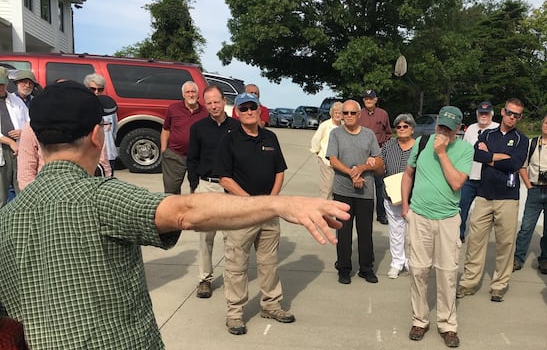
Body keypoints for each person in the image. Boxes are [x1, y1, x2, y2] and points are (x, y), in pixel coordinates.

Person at [0, 81, 350, 349]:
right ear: (96, 135)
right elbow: (185, 211)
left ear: (37, 140)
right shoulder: (101, 198)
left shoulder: (7, 220)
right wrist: (280, 204)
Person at [218, 92, 294, 335]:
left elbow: (279, 170)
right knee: (236, 265)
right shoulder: (228, 139)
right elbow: (225, 178)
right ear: (237, 113)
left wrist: (270, 200)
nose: (249, 111)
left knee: (269, 262)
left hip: (268, 211)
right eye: (244, 108)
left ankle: (271, 304)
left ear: (259, 110)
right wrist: (250, 202)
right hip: (241, 211)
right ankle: (235, 313)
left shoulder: (270, 137)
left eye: (253, 107)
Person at [401, 106, 473, 348]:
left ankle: (447, 325)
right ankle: (419, 320)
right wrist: (405, 207)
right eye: (440, 126)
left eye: (449, 129)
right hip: (419, 216)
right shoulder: (422, 143)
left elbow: (456, 183)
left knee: (447, 273)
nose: (442, 131)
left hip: (448, 219)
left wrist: (442, 153)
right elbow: (408, 174)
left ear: (459, 130)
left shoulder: (464, 150)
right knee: (418, 270)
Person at [457, 98, 528, 303]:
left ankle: (499, 284)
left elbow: (514, 164)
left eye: (517, 115)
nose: (512, 117)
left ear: (519, 117)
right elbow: (476, 155)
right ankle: (469, 282)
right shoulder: (487, 133)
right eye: (509, 112)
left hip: (508, 197)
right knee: (475, 240)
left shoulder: (522, 139)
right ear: (503, 112)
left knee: (505, 243)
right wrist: (500, 156)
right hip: (484, 194)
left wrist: (490, 156)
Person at [186, 85, 241, 299]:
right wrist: (194, 187)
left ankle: (232, 277)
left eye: (216, 102)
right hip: (206, 187)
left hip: (230, 187)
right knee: (205, 237)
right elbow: (192, 159)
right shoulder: (198, 128)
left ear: (223, 101)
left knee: (231, 237)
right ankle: (205, 279)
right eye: (208, 103)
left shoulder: (237, 127)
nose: (213, 106)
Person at [327, 99, 384, 284]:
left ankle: (366, 268)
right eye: (345, 113)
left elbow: (378, 161)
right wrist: (352, 173)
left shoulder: (369, 135)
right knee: (343, 232)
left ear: (359, 115)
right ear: (341, 115)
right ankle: (344, 268)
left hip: (365, 191)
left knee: (365, 231)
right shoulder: (336, 134)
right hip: (342, 190)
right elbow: (333, 160)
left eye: (352, 113)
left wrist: (362, 167)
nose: (349, 116)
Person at [514, 112, 547, 274]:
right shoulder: (532, 143)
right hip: (535, 189)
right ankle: (518, 258)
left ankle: (545, 259)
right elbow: (521, 165)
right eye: (546, 123)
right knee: (526, 227)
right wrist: (528, 185)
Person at [380, 113, 416, 279]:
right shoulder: (388, 146)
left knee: (412, 233)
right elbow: (381, 165)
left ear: (412, 129)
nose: (401, 129)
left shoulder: (419, 148)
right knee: (395, 231)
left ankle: (411, 262)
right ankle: (397, 263)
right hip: (392, 195)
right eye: (399, 127)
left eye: (405, 126)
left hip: (414, 197)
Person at [458, 101, 499, 242]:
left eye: (486, 113)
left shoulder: (497, 129)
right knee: (462, 207)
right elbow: (463, 150)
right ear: (477, 114)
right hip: (469, 177)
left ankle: (481, 238)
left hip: (487, 178)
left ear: (491, 115)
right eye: (481, 113)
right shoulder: (470, 128)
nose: (483, 116)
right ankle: (459, 234)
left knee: (485, 212)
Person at [161, 81, 207, 194]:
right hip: (175, 155)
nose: (191, 95)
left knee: (196, 190)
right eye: (188, 92)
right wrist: (164, 150)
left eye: (193, 92)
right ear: (183, 94)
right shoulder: (173, 108)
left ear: (198, 94)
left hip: (198, 158)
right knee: (171, 191)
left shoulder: (206, 112)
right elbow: (166, 129)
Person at [357, 89, 392, 225]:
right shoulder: (359, 114)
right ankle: (362, 213)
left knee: (380, 184)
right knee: (363, 183)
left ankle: (381, 214)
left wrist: (384, 150)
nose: (368, 101)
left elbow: (388, 133)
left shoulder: (383, 114)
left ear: (376, 100)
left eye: (370, 99)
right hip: (362, 153)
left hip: (378, 153)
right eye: (366, 99)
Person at [0, 67, 28, 206]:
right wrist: (10, 142)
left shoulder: (16, 101)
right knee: (1, 195)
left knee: (22, 191)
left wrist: (23, 132)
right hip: (3, 150)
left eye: (3, 84)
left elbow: (30, 122)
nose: (1, 87)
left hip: (18, 150)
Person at [84, 73, 119, 170]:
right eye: (92, 89)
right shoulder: (82, 106)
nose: (96, 92)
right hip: (90, 154)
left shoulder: (109, 107)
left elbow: (114, 130)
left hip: (109, 153)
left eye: (100, 89)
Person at [310, 101, 343, 199]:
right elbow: (316, 140)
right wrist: (318, 152)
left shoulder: (344, 126)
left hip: (340, 162)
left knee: (336, 189)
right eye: (335, 112)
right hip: (326, 161)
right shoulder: (325, 125)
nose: (338, 115)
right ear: (332, 113)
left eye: (340, 113)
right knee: (327, 188)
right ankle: (322, 210)